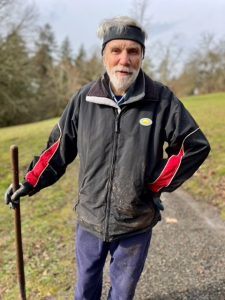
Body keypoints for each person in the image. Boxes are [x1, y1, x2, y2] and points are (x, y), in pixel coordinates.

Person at [5, 16, 210, 300]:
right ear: (104, 55)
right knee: (85, 289)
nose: (124, 59)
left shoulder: (161, 100)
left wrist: (154, 182)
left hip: (135, 221)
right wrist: (30, 182)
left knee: (122, 293)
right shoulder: (84, 99)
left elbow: (194, 145)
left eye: (132, 51)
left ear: (141, 56)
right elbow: (58, 148)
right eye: (116, 50)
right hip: (89, 219)